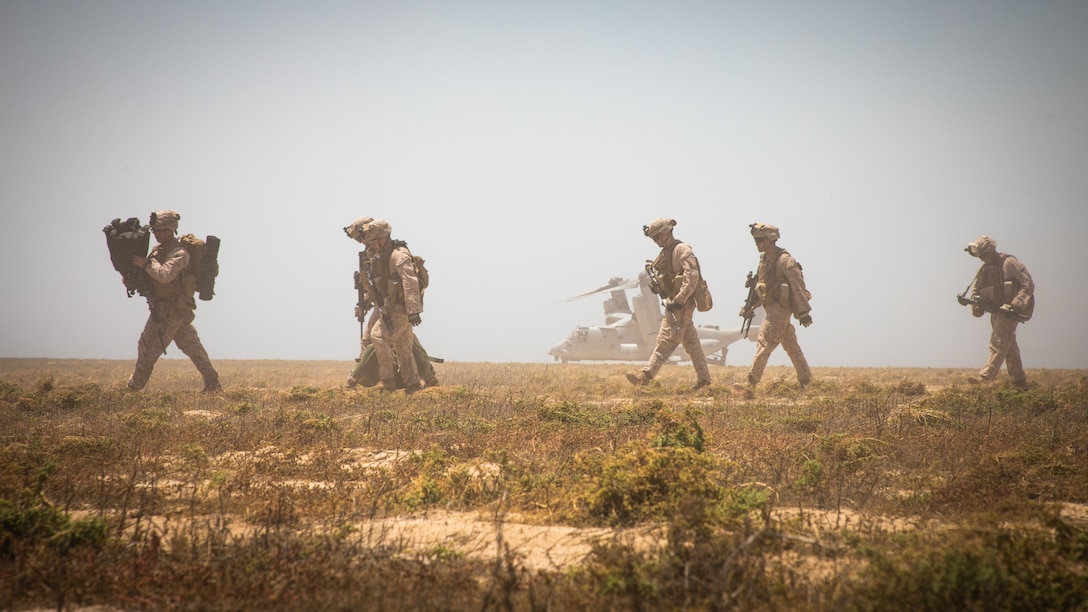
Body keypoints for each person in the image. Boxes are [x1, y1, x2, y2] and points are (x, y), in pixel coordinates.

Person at [127, 210, 221, 392]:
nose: (158, 234)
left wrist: (145, 264)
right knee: (193, 347)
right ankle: (213, 383)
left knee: (147, 348)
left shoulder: (179, 253)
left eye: (162, 230)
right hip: (169, 309)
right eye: (155, 231)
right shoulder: (159, 251)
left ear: (172, 230)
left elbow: (164, 276)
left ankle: (133, 389)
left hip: (170, 310)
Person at [343, 217, 438, 390]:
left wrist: (413, 310)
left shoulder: (397, 255)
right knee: (402, 344)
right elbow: (375, 286)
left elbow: (410, 282)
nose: (363, 241)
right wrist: (363, 304)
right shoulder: (375, 255)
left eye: (365, 238)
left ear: (381, 237)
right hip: (387, 306)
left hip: (399, 307)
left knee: (379, 337)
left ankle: (388, 382)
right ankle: (413, 383)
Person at [625, 218, 712, 391]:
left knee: (666, 339)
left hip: (681, 304)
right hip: (673, 303)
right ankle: (705, 381)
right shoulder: (666, 252)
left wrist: (679, 299)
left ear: (667, 232)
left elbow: (692, 275)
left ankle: (646, 376)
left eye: (658, 237)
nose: (657, 241)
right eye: (654, 238)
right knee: (691, 343)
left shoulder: (682, 250)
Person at [741, 223, 812, 388]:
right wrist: (750, 307)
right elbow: (762, 284)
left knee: (765, 340)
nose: (757, 243)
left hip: (780, 308)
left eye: (760, 240)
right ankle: (805, 378)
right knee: (791, 345)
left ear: (770, 239)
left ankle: (751, 381)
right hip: (770, 305)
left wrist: (803, 312)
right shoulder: (764, 259)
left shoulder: (785, 260)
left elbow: (798, 286)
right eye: (755, 240)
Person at [963, 235, 1034, 386]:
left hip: (1009, 312)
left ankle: (985, 378)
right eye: (981, 257)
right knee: (1008, 345)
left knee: (998, 342)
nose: (983, 259)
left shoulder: (1009, 263)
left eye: (985, 255)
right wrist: (976, 300)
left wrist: (1015, 304)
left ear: (992, 250)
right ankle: (1019, 379)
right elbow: (977, 287)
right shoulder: (986, 268)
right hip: (996, 312)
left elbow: (1027, 283)